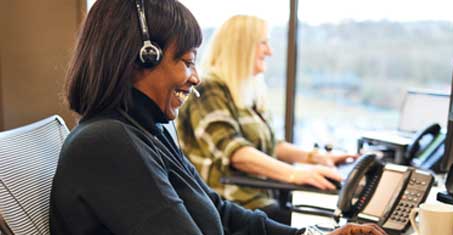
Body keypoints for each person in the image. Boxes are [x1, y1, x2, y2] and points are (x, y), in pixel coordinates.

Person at [50, 0, 386, 234]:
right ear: (141, 58)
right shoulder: (107, 143)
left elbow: (219, 212)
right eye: (185, 61)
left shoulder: (149, 130)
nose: (195, 77)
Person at [176, 15, 357, 225]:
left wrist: (316, 158)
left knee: (328, 216)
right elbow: (234, 152)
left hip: (261, 196)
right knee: (318, 224)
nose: (269, 51)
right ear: (242, 47)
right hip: (233, 205)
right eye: (263, 43)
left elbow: (271, 144)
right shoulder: (209, 90)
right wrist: (295, 175)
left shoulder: (245, 91)